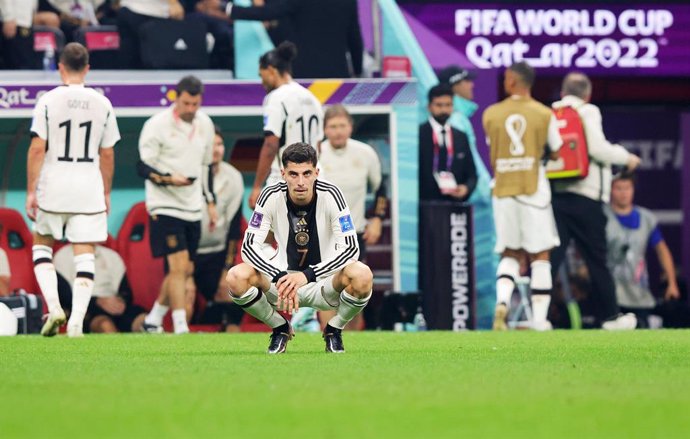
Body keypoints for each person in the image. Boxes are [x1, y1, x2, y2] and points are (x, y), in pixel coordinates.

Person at [225, 142, 373, 354]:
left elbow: (350, 248)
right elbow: (248, 247)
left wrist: (307, 275)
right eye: (294, 174)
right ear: (283, 173)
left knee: (362, 275)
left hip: (323, 283)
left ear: (316, 172)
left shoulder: (331, 194)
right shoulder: (270, 195)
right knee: (236, 276)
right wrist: (279, 276)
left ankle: (334, 328)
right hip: (282, 284)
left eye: (307, 173)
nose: (301, 182)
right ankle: (280, 327)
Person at [26, 42, 119, 337]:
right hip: (88, 187)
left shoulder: (47, 101)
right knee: (85, 253)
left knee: (42, 245)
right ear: (87, 68)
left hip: (54, 186)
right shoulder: (102, 103)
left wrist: (31, 191)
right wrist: (106, 192)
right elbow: (107, 153)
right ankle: (77, 320)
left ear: (60, 67)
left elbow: (37, 148)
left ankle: (54, 307)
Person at [550, 72, 641, 330]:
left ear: (562, 93)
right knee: (596, 259)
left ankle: (539, 315)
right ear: (587, 94)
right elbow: (598, 149)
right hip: (586, 198)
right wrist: (627, 158)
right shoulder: (588, 111)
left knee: (552, 258)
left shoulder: (551, 113)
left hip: (556, 196)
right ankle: (612, 317)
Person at [482, 61, 562, 331]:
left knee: (510, 252)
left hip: (503, 191)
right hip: (533, 191)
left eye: (506, 77)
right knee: (540, 255)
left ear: (513, 81)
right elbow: (556, 150)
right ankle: (539, 319)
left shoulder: (491, 114)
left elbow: (494, 149)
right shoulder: (544, 114)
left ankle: (502, 301)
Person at [136, 75, 217, 334]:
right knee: (179, 266)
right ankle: (181, 326)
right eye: (186, 103)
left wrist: (210, 201)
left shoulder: (206, 124)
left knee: (184, 268)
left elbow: (205, 167)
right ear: (176, 98)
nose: (191, 109)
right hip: (164, 205)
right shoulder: (156, 125)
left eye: (195, 104)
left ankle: (153, 319)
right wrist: (169, 179)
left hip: (193, 206)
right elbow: (143, 166)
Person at [314, 104, 387, 330]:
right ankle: (328, 340)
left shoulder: (365, 153)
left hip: (354, 234)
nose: (338, 131)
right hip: (323, 235)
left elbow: (380, 189)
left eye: (342, 126)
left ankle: (352, 343)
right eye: (332, 126)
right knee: (327, 292)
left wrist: (376, 218)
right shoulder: (315, 154)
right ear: (324, 129)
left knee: (354, 290)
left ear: (350, 127)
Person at [248, 41, 323, 208]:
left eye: (262, 75)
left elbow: (271, 144)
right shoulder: (312, 98)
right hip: (314, 179)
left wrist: (256, 187)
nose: (262, 81)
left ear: (271, 71)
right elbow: (319, 146)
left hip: (285, 179)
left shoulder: (275, 98)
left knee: (268, 230)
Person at [605, 172, 680, 328]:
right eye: (618, 188)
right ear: (611, 190)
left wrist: (671, 282)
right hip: (610, 293)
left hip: (639, 293)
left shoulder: (646, 218)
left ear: (633, 189)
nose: (623, 193)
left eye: (627, 188)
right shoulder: (602, 216)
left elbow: (662, 250)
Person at [192, 126, 245, 332]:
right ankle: (180, 340)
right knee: (186, 293)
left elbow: (233, 227)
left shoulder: (233, 177)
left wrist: (226, 268)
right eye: (210, 145)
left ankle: (231, 331)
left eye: (220, 144)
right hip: (189, 251)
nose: (216, 149)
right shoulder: (190, 175)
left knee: (230, 288)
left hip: (217, 251)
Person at [225, 0, 363, 78]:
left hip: (303, 74)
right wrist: (357, 71)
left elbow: (267, 12)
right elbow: (355, 39)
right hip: (336, 75)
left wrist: (227, 8)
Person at [54, 244, 148, 333]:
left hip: (113, 303)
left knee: (147, 321)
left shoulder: (111, 255)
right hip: (85, 308)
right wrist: (97, 301)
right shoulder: (62, 256)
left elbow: (126, 292)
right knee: (105, 325)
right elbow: (65, 298)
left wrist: (121, 301)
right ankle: (119, 349)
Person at [419, 84, 477, 203]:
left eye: (448, 105)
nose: (444, 110)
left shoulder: (461, 136)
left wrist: (466, 189)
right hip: (425, 205)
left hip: (455, 204)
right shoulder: (419, 135)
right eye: (439, 105)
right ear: (429, 107)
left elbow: (472, 174)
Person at [117, 0, 185, 69]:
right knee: (155, 62)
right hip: (150, 11)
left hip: (129, 8)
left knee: (130, 61)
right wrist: (173, 3)